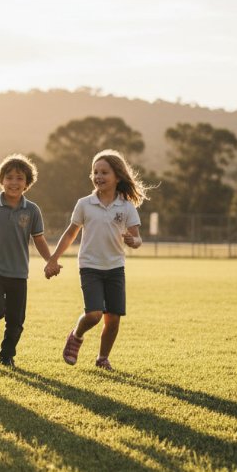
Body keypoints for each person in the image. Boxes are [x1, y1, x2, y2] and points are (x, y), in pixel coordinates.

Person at [48, 149, 149, 371]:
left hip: (115, 268)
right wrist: (53, 258)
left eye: (104, 172)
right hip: (89, 266)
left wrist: (135, 241)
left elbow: (137, 237)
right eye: (95, 172)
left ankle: (102, 358)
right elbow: (70, 233)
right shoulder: (84, 204)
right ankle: (76, 336)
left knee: (113, 319)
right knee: (94, 315)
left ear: (118, 176)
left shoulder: (126, 206)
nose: (98, 176)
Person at [0, 154, 59, 368]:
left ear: (27, 183)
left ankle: (6, 355)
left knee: (16, 320)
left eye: (19, 178)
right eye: (9, 178)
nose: (14, 183)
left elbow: (39, 239)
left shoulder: (32, 210)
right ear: (1, 180)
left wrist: (50, 261)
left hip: (18, 272)